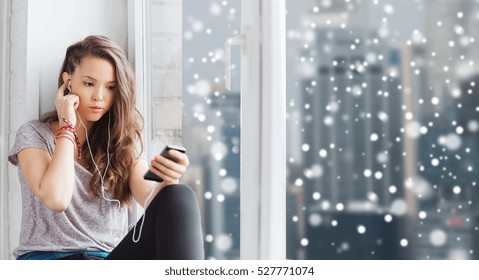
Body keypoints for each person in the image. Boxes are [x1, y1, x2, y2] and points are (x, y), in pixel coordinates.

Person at [7, 35, 204, 260]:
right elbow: (57, 199)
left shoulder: (121, 142)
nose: (99, 97)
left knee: (179, 195)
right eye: (89, 84)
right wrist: (67, 127)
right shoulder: (34, 134)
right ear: (67, 81)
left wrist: (169, 177)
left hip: (108, 261)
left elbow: (154, 201)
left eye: (110, 87)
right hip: (50, 261)